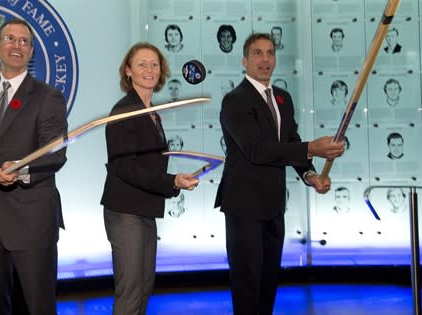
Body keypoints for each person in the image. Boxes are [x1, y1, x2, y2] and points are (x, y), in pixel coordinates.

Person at [215, 33, 344, 315]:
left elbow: (289, 142)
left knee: (269, 281)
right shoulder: (234, 101)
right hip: (244, 206)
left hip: (273, 205)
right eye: (258, 53)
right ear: (244, 60)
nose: (265, 59)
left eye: (270, 53)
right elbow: (257, 150)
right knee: (248, 283)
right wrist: (311, 147)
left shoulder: (282, 99)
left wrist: (310, 175)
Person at [0, 18, 69, 314]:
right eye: (10, 39)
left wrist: (20, 169)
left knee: (39, 306)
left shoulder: (49, 97)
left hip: (32, 219)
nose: (17, 46)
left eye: (24, 41)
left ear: (32, 51)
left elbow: (55, 154)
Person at [101, 42, 199, 314]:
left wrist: (174, 182)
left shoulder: (149, 111)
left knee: (143, 287)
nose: (149, 69)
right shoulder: (125, 110)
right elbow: (124, 167)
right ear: (128, 71)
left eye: (154, 64)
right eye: (142, 64)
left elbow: (147, 163)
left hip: (144, 209)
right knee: (131, 293)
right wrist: (171, 182)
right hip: (125, 212)